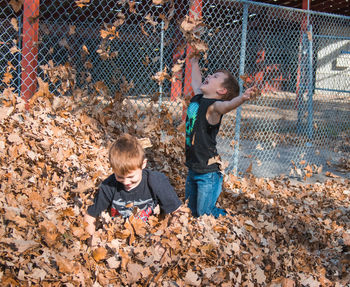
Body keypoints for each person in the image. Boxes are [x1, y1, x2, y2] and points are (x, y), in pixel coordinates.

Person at [185, 56, 257, 218]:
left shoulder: (214, 107)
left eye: (214, 77)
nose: (209, 76)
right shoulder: (198, 97)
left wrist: (242, 99)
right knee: (191, 211)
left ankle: (229, 218)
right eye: (210, 75)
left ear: (221, 91)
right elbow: (196, 81)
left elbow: (226, 106)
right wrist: (194, 61)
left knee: (205, 214)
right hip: (193, 168)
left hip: (208, 173)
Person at [84, 133, 182, 242]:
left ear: (143, 164)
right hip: (117, 238)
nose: (126, 182)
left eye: (131, 176)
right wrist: (91, 241)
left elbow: (177, 212)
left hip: (151, 237)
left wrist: (168, 238)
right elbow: (90, 215)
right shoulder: (109, 186)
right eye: (120, 177)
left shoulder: (157, 182)